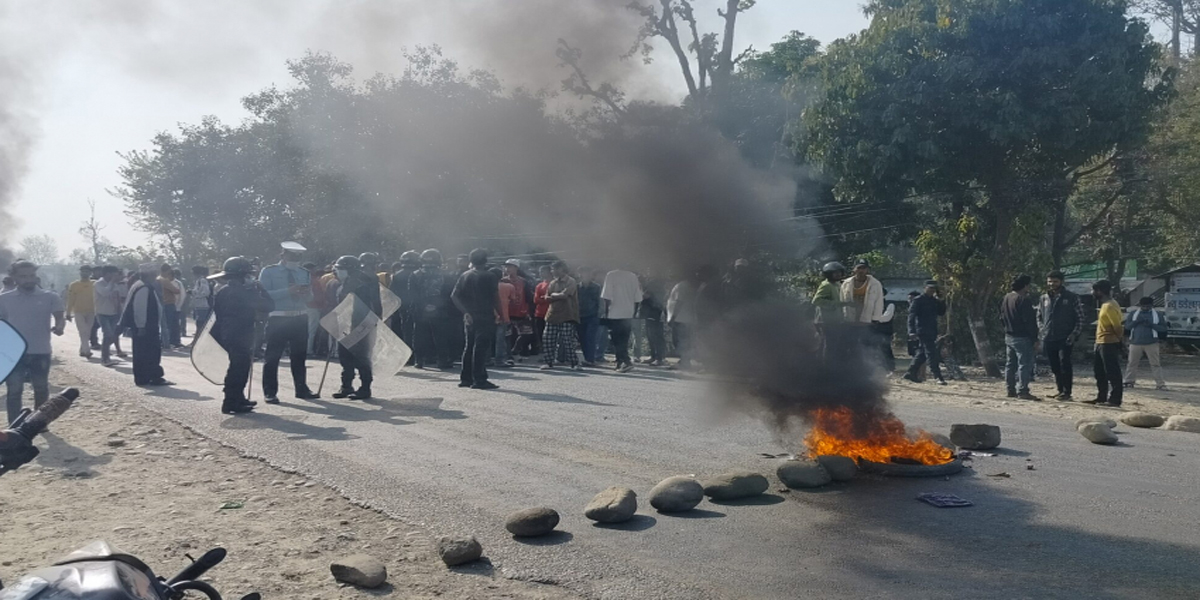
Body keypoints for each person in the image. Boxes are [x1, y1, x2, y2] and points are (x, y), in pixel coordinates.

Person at [0, 261, 65, 425]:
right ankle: (14, 426)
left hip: (40, 350)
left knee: (41, 388)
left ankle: (39, 423)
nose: (28, 279)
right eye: (23, 276)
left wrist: (59, 326)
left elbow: (59, 316)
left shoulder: (50, 296)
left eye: (31, 275)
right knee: (14, 391)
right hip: (13, 354)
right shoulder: (4, 299)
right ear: (14, 277)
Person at [258, 242, 320, 404]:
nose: (295, 259)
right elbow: (264, 295)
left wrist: (305, 294)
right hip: (278, 318)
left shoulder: (303, 272)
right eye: (292, 256)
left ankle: (301, 389)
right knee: (273, 357)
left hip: (299, 317)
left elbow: (311, 298)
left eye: (298, 257)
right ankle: (270, 392)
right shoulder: (269, 271)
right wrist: (288, 291)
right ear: (283, 255)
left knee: (299, 356)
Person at [209, 257, 271, 414]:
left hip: (227, 334)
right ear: (242, 275)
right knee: (238, 369)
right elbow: (268, 305)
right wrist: (261, 289)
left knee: (239, 367)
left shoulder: (223, 291)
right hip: (240, 335)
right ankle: (231, 401)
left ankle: (238, 397)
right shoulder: (244, 293)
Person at [331, 255, 383, 400]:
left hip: (362, 325)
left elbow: (375, 304)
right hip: (345, 324)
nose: (338, 271)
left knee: (362, 357)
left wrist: (375, 321)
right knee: (345, 356)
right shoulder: (343, 282)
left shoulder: (365, 283)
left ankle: (365, 388)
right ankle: (346, 386)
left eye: (341, 269)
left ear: (350, 269)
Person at [451, 249, 501, 390]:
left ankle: (466, 378)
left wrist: (465, 312)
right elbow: (496, 298)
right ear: (486, 260)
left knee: (469, 347)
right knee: (480, 348)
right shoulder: (490, 276)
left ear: (471, 261)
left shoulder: (464, 276)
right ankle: (479, 380)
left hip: (470, 317)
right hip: (485, 316)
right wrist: (501, 315)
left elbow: (454, 296)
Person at [121, 263, 171, 387]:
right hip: (146, 327)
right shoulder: (143, 288)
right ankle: (154, 376)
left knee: (142, 352)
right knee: (150, 352)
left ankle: (144, 377)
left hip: (145, 326)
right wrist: (141, 326)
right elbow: (140, 309)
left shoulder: (141, 285)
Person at [1037, 270, 1084, 401]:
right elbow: (1039, 316)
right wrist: (1042, 329)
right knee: (1054, 365)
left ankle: (1067, 392)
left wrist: (1074, 333)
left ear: (1061, 282)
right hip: (1049, 336)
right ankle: (1059, 390)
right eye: (1050, 281)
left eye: (1055, 281)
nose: (1052, 284)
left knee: (1065, 363)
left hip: (1066, 336)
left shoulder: (1072, 297)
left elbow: (1080, 318)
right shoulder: (1044, 297)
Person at [1000, 274, 1040, 400]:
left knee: (1010, 364)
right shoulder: (1023, 300)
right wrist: (1035, 339)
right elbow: (1030, 322)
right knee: (1025, 364)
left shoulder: (1006, 297)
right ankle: (1023, 390)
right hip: (1023, 337)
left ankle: (1010, 389)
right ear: (1025, 286)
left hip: (1009, 335)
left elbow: (1001, 317)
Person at [412, 249, 453, 369]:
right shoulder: (446, 275)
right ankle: (442, 361)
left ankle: (419, 360)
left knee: (419, 336)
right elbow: (448, 294)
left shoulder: (415, 274)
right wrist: (437, 305)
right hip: (440, 310)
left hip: (420, 311)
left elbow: (413, 294)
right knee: (441, 336)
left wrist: (423, 306)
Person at [1087, 279, 1125, 407]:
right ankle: (1101, 397)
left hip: (1108, 342)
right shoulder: (1105, 305)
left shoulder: (1110, 305)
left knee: (1112, 372)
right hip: (1100, 342)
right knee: (1099, 372)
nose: (1092, 293)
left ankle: (1115, 399)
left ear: (1099, 291)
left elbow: (1117, 326)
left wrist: (1119, 340)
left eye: (1093, 290)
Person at [903, 280, 947, 385]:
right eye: (930, 288)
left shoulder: (935, 301)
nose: (932, 290)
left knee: (922, 353)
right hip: (922, 330)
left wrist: (941, 300)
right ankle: (938, 376)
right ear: (924, 288)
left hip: (932, 330)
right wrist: (911, 331)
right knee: (932, 353)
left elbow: (941, 312)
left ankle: (910, 372)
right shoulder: (918, 300)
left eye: (933, 288)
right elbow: (911, 316)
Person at [541, 260, 581, 370]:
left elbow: (565, 295)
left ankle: (574, 363)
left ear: (562, 269)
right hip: (552, 314)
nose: (552, 271)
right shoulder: (553, 283)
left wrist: (553, 296)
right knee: (548, 339)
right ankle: (548, 362)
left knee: (567, 340)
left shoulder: (571, 281)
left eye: (554, 269)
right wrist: (555, 295)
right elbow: (546, 297)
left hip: (567, 315)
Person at [601, 267, 642, 373]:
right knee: (624, 339)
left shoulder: (611, 275)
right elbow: (637, 298)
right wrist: (633, 313)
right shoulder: (632, 276)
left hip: (614, 313)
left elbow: (607, 297)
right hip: (628, 313)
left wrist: (606, 313)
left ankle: (625, 361)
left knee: (616, 340)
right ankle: (620, 362)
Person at [1124, 296, 1168, 391]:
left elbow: (1163, 329)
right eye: (1143, 306)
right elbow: (1127, 327)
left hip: (1152, 343)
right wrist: (1136, 322)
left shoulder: (1158, 315)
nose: (1145, 308)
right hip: (1135, 342)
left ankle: (1160, 383)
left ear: (1152, 306)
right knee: (1132, 363)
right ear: (1140, 305)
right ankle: (1129, 381)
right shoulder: (1133, 314)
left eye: (1147, 306)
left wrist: (1151, 325)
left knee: (1155, 364)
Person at [93, 266, 128, 366]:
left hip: (114, 313)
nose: (116, 276)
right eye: (114, 274)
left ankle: (106, 354)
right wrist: (112, 282)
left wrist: (119, 311)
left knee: (112, 336)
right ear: (108, 274)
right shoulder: (98, 283)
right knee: (107, 334)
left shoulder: (115, 285)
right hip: (102, 313)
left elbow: (116, 297)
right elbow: (105, 293)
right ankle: (105, 359)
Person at [503, 259, 536, 361]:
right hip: (507, 312)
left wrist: (528, 311)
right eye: (506, 267)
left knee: (526, 333)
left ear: (516, 268)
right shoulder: (503, 281)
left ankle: (516, 349)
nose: (508, 269)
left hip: (521, 311)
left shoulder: (523, 281)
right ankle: (509, 356)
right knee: (507, 335)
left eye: (510, 267)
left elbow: (529, 297)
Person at [65, 265, 97, 359]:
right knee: (83, 331)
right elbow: (71, 299)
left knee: (87, 331)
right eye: (83, 271)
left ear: (90, 273)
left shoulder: (94, 284)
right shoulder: (74, 285)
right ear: (80, 272)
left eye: (87, 271)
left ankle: (83, 349)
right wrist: (68, 312)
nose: (85, 273)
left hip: (91, 311)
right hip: (79, 311)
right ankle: (87, 351)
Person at [575, 267, 602, 366]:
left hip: (593, 315)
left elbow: (600, 301)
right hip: (580, 315)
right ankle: (587, 358)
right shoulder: (577, 287)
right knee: (582, 338)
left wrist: (600, 314)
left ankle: (590, 359)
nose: (585, 276)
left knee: (590, 337)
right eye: (583, 273)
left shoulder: (597, 287)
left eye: (588, 273)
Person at [639, 274, 667, 366]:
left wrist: (641, 292)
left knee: (655, 336)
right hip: (653, 313)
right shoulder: (659, 285)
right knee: (652, 336)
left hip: (653, 313)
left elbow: (645, 296)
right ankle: (654, 356)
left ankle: (659, 358)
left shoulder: (654, 284)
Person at [156, 264, 183, 349]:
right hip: (168, 304)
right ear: (167, 271)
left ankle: (164, 341)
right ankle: (167, 342)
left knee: (163, 324)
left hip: (162, 303)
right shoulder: (165, 280)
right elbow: (176, 291)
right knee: (169, 325)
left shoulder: (157, 279)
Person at [494, 268, 515, 367]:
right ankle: (500, 360)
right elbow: (513, 301)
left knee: (486, 338)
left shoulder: (487, 287)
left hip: (488, 315)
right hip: (503, 315)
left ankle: (486, 359)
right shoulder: (509, 286)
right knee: (501, 340)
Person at [533, 265, 552, 356]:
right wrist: (546, 298)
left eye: (543, 271)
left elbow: (553, 299)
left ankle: (550, 353)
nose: (541, 274)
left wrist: (544, 298)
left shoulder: (554, 284)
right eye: (540, 272)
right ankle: (543, 353)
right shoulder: (539, 285)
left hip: (551, 313)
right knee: (540, 335)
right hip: (539, 313)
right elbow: (536, 300)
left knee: (550, 335)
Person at [191, 265, 214, 331]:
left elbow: (206, 292)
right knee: (198, 322)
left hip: (203, 305)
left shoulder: (202, 281)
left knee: (201, 323)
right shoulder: (198, 281)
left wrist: (197, 295)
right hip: (198, 305)